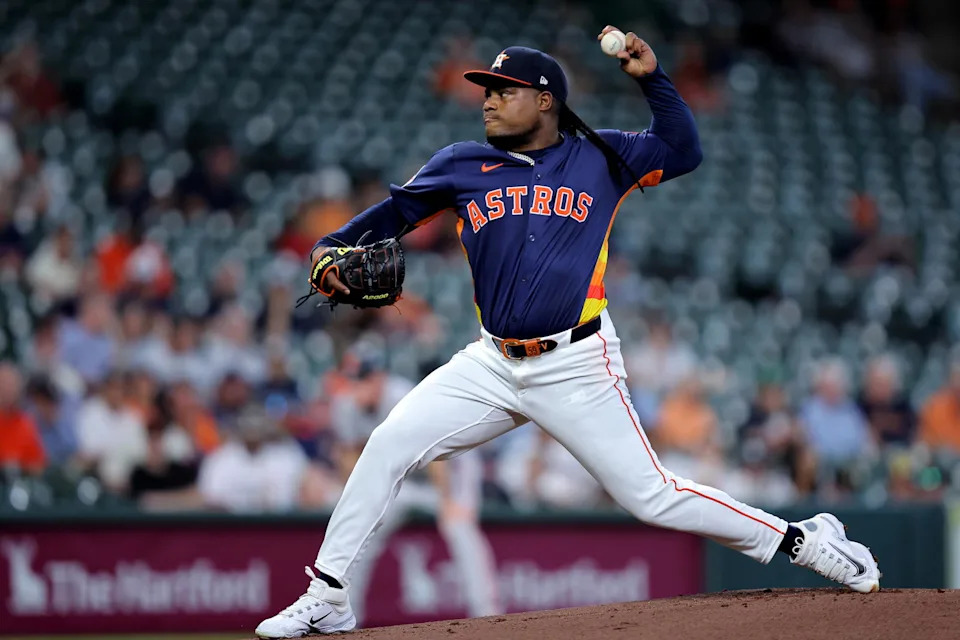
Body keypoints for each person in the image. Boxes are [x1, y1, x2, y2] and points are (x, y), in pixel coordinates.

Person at [255, 31, 880, 638]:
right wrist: (328, 252)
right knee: (388, 443)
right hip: (491, 364)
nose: (489, 99)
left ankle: (804, 540)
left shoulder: (602, 155)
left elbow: (684, 150)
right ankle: (328, 597)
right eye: (486, 90)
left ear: (546, 99)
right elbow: (377, 222)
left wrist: (653, 80)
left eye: (505, 89)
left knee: (651, 496)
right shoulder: (461, 166)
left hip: (577, 363)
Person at [329, 342, 502, 623]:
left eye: (364, 379)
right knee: (364, 529)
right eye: (354, 380)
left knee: (459, 527)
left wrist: (448, 502)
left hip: (451, 464)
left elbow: (433, 453)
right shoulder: (345, 405)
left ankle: (487, 612)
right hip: (405, 477)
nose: (357, 387)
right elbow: (350, 456)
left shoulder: (401, 396)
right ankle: (346, 614)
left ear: (380, 378)